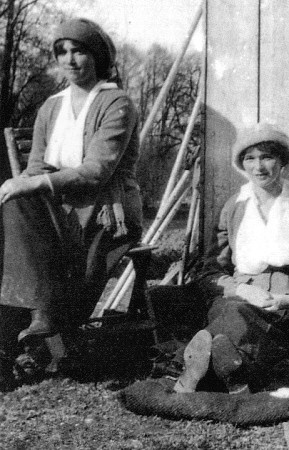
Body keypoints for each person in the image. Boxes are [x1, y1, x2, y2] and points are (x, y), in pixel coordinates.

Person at [0, 18, 143, 391]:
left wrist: (37, 181)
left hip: (105, 209)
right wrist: (27, 182)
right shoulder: (51, 106)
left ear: (97, 56)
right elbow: (35, 168)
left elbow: (97, 170)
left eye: (79, 50)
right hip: (58, 210)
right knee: (12, 209)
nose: (70, 59)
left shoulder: (116, 102)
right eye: (62, 51)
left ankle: (45, 323)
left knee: (36, 227)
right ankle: (30, 324)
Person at [173, 122, 289, 394]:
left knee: (248, 330)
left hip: (287, 305)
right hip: (240, 298)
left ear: (281, 161)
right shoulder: (234, 207)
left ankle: (210, 368)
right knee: (232, 311)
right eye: (250, 158)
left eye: (267, 157)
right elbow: (210, 270)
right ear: (242, 165)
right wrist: (241, 289)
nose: (258, 167)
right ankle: (221, 364)